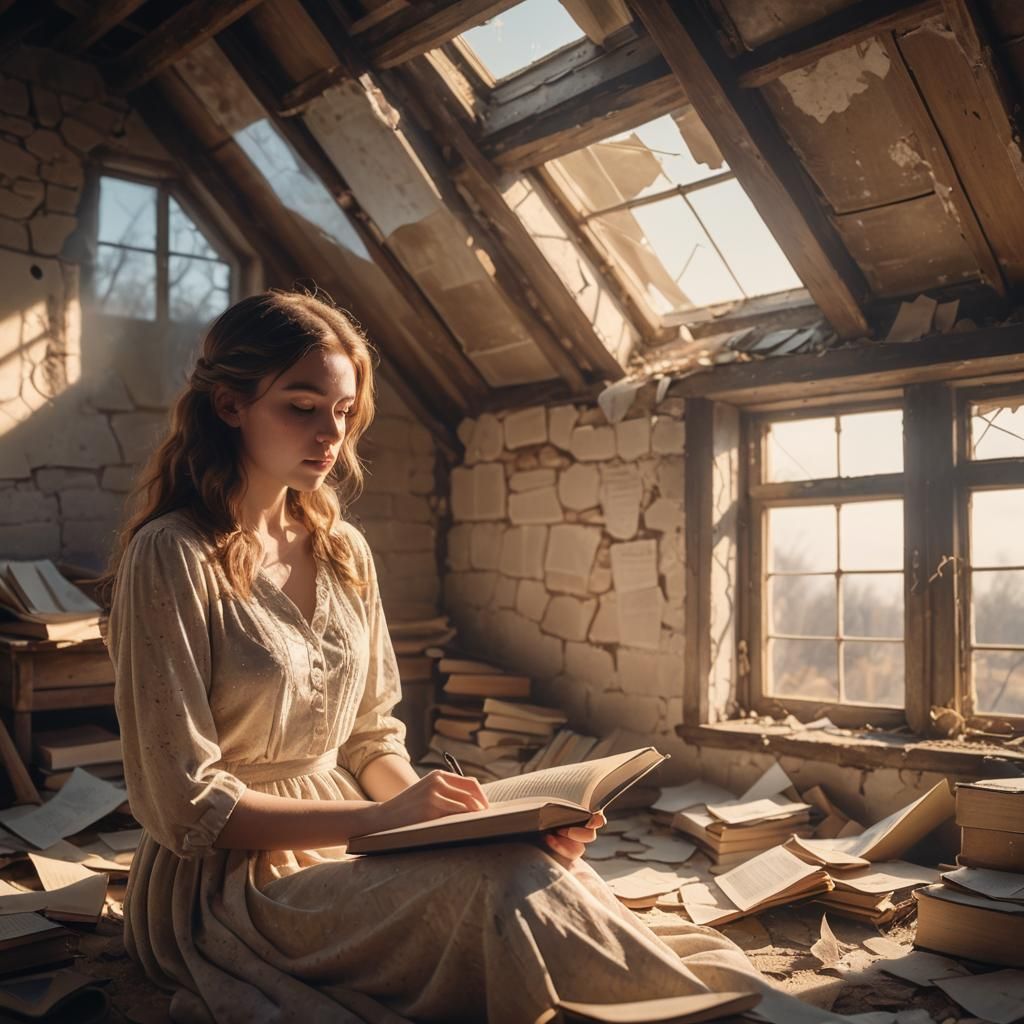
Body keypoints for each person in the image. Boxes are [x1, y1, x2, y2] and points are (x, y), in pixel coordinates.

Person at [104, 290, 830, 1024]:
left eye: (345, 411)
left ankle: (709, 1008)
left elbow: (370, 737)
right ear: (230, 405)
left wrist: (454, 825)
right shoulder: (172, 554)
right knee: (501, 889)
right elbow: (186, 805)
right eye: (301, 406)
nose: (330, 434)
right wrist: (382, 824)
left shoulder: (343, 550)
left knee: (526, 862)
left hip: (356, 828)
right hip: (233, 882)